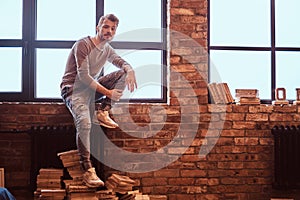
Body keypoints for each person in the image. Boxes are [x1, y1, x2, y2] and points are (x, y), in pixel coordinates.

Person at [60, 14, 137, 188]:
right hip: (73, 89)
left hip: (89, 91)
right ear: (98, 27)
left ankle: (103, 111)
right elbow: (84, 77)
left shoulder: (107, 49)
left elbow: (121, 62)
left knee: (124, 73)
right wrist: (108, 92)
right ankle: (87, 169)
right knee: (85, 123)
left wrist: (130, 69)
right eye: (106, 27)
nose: (108, 31)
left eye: (112, 29)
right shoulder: (83, 45)